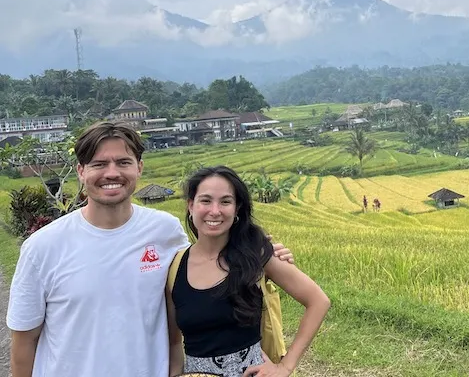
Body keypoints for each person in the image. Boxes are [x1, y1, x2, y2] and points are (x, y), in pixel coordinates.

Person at [6, 121, 294, 377]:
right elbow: (24, 344)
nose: (111, 173)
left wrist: (265, 258)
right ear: (81, 171)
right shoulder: (42, 247)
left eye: (123, 162)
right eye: (98, 164)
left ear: (139, 167)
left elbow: (207, 267)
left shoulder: (165, 231)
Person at [167, 166, 330, 377]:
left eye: (225, 201)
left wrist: (285, 366)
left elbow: (318, 301)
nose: (214, 211)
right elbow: (174, 343)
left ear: (237, 209)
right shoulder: (175, 267)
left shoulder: (255, 256)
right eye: (205, 201)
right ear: (191, 206)